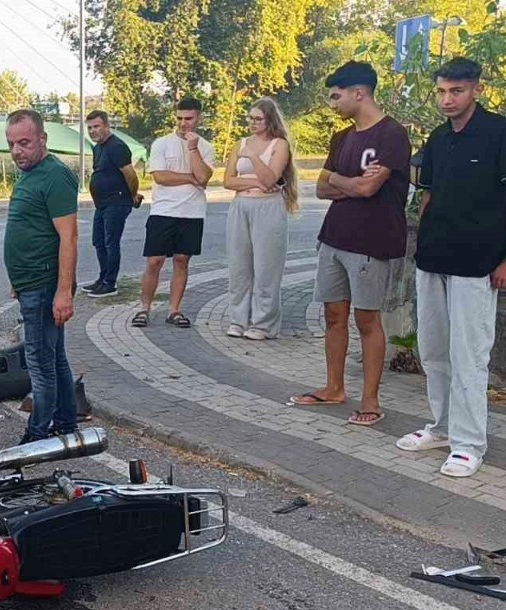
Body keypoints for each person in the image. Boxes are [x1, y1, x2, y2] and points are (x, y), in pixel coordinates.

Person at [396, 58, 506, 478]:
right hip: (433, 259)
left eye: (456, 91)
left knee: (469, 355)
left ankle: (469, 443)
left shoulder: (502, 133)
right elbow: (428, 196)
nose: (447, 99)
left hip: (479, 264)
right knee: (434, 351)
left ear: (476, 89)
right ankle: (440, 428)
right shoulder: (439, 138)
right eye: (441, 91)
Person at [290, 61, 410, 428]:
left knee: (367, 319)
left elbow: (369, 188)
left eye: (336, 95)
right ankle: (333, 388)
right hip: (333, 238)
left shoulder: (392, 134)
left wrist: (345, 183)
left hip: (372, 242)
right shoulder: (341, 138)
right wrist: (350, 183)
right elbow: (321, 187)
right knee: (333, 316)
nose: (332, 102)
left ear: (360, 93)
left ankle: (370, 400)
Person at [3, 109, 80, 444]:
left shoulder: (55, 176)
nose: (18, 151)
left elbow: (69, 237)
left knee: (39, 363)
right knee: (54, 356)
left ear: (42, 139)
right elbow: (31, 229)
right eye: (12, 144)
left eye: (25, 142)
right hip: (31, 283)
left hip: (44, 286)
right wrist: (17, 279)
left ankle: (37, 435)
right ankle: (65, 423)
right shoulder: (30, 173)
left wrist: (64, 292)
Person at [133, 98, 215, 329]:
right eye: (179, 118)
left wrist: (192, 148)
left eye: (188, 118)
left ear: (198, 118)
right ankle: (144, 308)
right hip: (163, 210)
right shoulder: (161, 143)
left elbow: (204, 177)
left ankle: (174, 310)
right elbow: (160, 176)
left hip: (192, 212)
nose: (183, 123)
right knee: (154, 261)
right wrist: (190, 178)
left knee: (182, 260)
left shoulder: (206, 147)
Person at [222, 97, 299, 340]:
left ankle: (263, 323)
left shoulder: (279, 145)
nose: (252, 123)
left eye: (258, 119)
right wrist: (255, 180)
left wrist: (254, 158)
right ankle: (238, 319)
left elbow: (271, 179)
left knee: (266, 266)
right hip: (242, 205)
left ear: (269, 120)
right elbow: (228, 180)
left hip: (268, 208)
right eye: (250, 118)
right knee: (239, 265)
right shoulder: (240, 143)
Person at [82, 109, 143, 299]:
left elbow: (130, 175)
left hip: (117, 203)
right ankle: (102, 278)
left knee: (110, 243)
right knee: (98, 241)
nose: (93, 131)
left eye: (97, 126)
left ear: (107, 126)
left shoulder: (117, 146)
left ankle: (110, 283)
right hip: (102, 204)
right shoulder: (98, 147)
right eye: (90, 128)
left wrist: (132, 195)